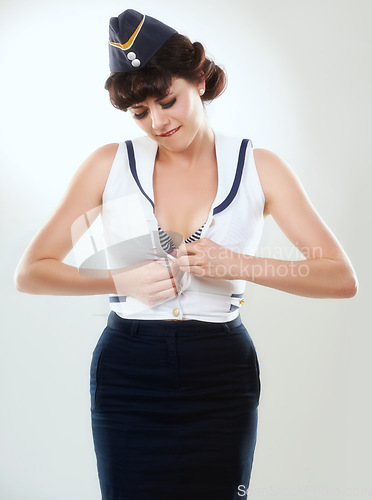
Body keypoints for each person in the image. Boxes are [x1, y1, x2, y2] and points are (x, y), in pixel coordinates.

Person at [14, 8, 358, 500]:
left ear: (199, 78)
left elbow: (340, 278)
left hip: (220, 370)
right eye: (140, 113)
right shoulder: (107, 165)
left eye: (168, 101)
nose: (157, 122)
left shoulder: (260, 167)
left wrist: (239, 266)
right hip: (127, 368)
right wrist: (121, 281)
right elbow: (32, 272)